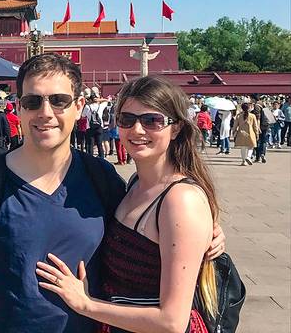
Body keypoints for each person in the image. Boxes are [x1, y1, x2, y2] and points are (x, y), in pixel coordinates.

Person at [0, 54, 225, 333]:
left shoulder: (100, 178)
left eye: (59, 101)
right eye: (33, 102)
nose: (45, 113)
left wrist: (206, 235)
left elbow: (153, 235)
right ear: (19, 107)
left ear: (79, 106)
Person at [36, 76, 220, 333]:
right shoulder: (134, 183)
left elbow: (172, 322)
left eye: (152, 120)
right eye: (127, 119)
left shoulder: (180, 200)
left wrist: (86, 304)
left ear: (176, 128)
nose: (137, 130)